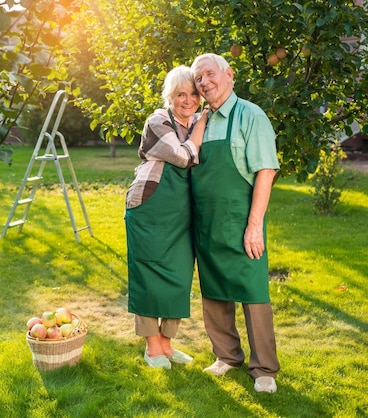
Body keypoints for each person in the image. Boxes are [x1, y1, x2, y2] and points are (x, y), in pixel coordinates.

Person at [190, 53, 280, 393]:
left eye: (210, 74)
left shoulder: (249, 115)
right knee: (213, 290)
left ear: (229, 75)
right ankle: (226, 356)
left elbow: (265, 171)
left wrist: (254, 224)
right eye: (199, 78)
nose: (204, 82)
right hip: (207, 221)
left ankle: (264, 368)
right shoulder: (202, 120)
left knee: (253, 291)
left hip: (241, 219)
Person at [126, 66, 208, 370]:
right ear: (169, 97)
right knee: (148, 273)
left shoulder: (199, 120)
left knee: (179, 274)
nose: (187, 100)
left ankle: (167, 344)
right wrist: (200, 127)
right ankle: (152, 347)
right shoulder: (158, 120)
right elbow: (183, 156)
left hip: (183, 211)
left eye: (192, 94)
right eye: (179, 94)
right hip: (149, 206)